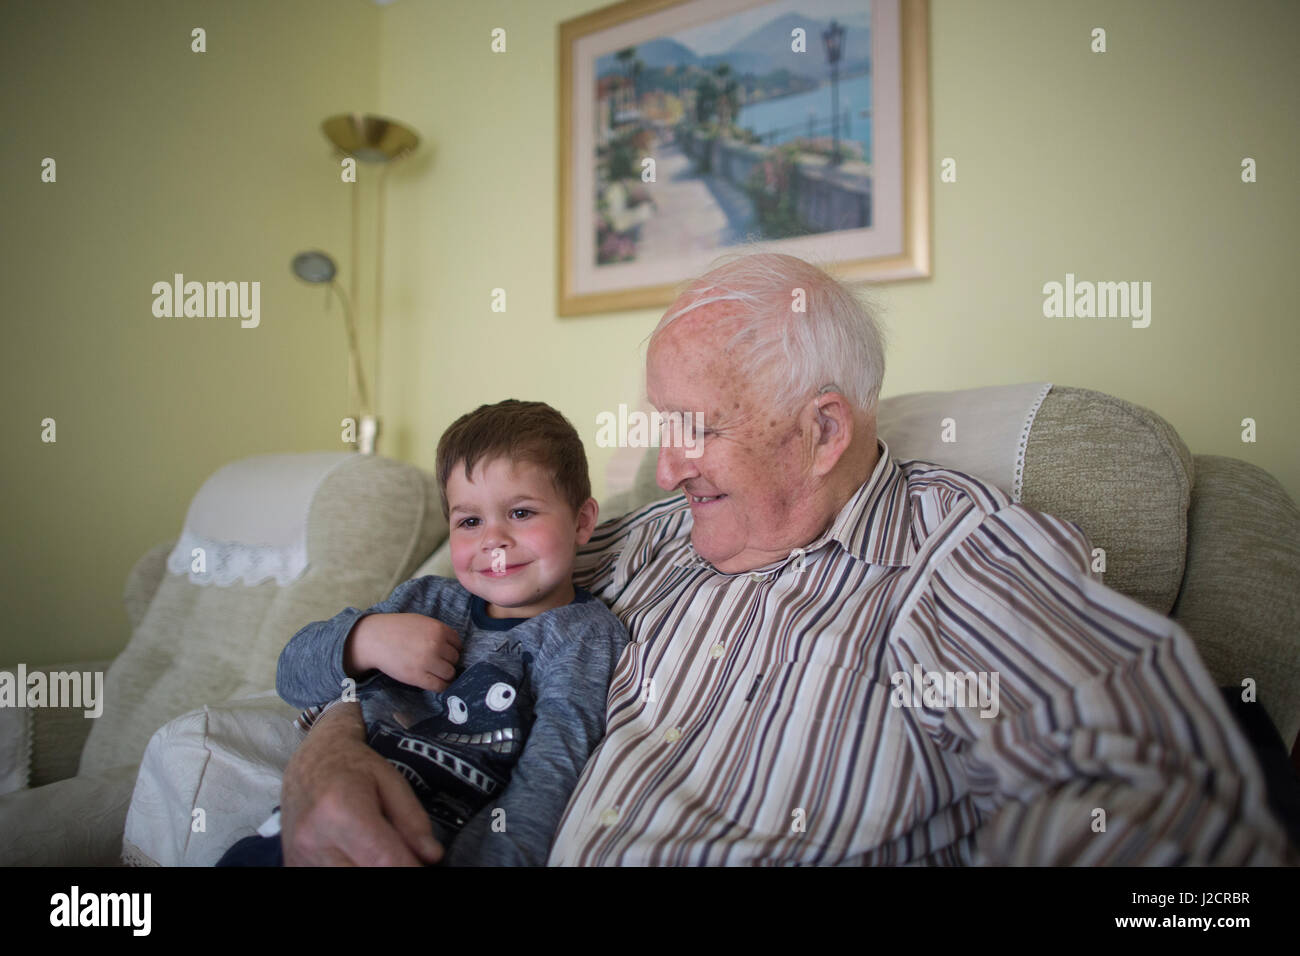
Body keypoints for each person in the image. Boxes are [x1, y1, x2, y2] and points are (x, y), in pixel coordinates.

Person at [277, 253, 1296, 866]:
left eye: (697, 429)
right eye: (661, 426)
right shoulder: (643, 537)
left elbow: (1149, 800)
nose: (663, 466)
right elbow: (450, 624)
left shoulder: (960, 557)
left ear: (821, 431)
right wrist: (333, 750)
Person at [218, 399, 629, 866]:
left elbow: (551, 771)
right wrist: (365, 639)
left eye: (520, 513)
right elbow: (291, 676)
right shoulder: (426, 599)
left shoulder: (583, 635)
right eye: (470, 521)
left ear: (582, 521)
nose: (492, 539)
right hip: (303, 829)